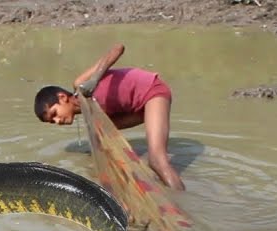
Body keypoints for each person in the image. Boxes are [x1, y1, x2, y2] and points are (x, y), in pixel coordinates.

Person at [33, 44, 185, 191]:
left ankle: (181, 209)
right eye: (52, 121)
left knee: (157, 161)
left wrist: (94, 80)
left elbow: (118, 48)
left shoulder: (80, 85)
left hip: (152, 91)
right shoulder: (92, 116)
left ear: (62, 97)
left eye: (54, 114)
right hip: (139, 109)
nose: (57, 121)